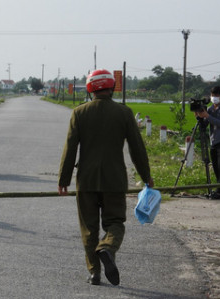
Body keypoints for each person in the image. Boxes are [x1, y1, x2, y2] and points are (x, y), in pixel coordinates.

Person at [58, 69, 153, 286]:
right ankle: (108, 247)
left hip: (87, 180)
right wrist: (146, 176)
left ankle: (94, 272)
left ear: (90, 88)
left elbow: (70, 149)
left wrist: (64, 180)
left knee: (89, 228)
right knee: (115, 222)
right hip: (114, 179)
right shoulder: (124, 113)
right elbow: (137, 148)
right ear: (112, 87)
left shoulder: (79, 113)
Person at [195, 86, 220, 199]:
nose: (214, 98)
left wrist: (207, 116)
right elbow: (204, 126)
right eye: (213, 95)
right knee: (216, 167)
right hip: (213, 141)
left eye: (216, 96)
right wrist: (199, 117)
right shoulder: (210, 109)